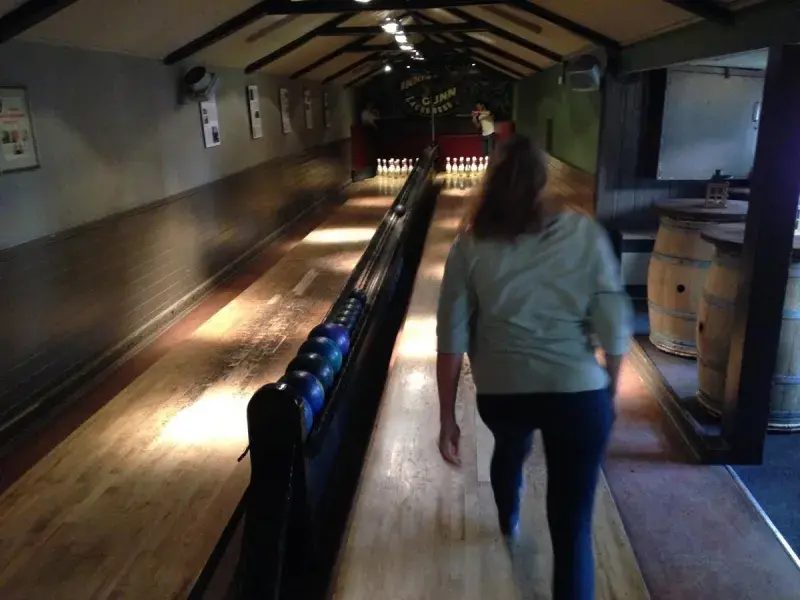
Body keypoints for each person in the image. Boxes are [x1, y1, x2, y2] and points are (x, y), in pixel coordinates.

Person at [436, 135, 632, 600]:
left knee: (509, 445)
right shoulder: (584, 233)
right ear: (545, 181)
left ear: (491, 182)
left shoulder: (469, 244)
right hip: (578, 393)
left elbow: (451, 340)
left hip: (502, 393)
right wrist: (611, 388)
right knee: (572, 525)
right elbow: (613, 323)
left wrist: (447, 417)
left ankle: (509, 520)